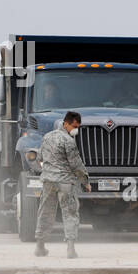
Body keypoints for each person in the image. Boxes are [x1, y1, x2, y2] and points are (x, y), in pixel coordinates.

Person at [35, 110, 90, 258]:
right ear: (65, 123)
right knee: (70, 213)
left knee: (45, 212)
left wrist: (48, 170)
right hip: (65, 181)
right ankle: (70, 249)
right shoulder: (68, 141)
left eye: (77, 126)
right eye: (74, 126)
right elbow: (76, 164)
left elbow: (39, 157)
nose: (75, 129)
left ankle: (40, 247)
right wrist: (85, 181)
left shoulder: (47, 137)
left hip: (48, 181)